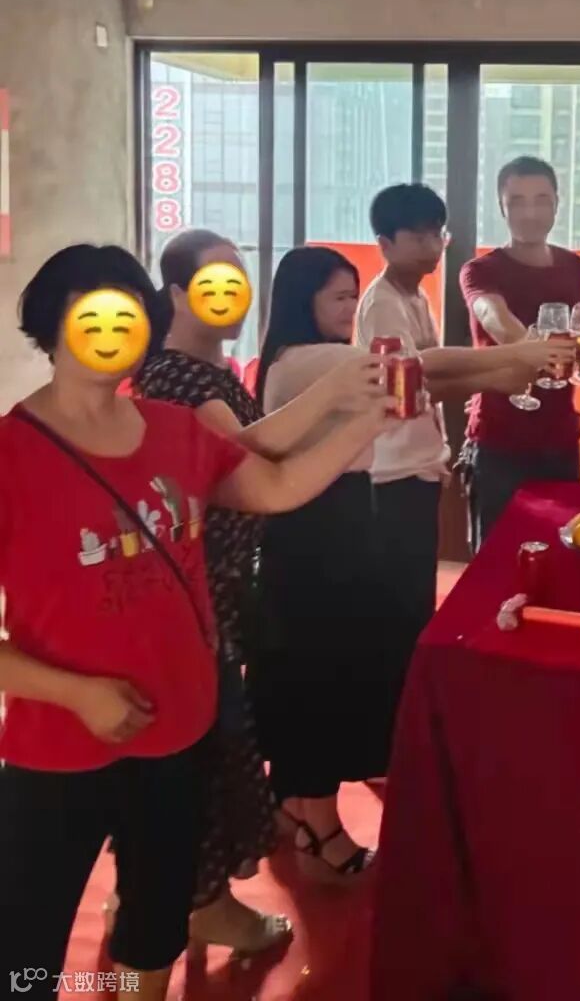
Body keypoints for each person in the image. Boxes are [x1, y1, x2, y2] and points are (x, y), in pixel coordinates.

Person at [0, 244, 393, 1000]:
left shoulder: (174, 431)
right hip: (58, 747)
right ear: (50, 327)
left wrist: (370, 418)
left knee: (156, 916)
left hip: (179, 729)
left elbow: (274, 485)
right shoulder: (13, 455)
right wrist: (77, 693)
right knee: (25, 941)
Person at [250, 241, 559, 885]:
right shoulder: (309, 360)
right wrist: (516, 356)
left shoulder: (315, 359)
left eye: (350, 295)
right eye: (339, 297)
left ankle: (294, 807)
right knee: (320, 677)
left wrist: (502, 372)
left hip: (328, 524)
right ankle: (317, 825)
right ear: (304, 301)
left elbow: (421, 383)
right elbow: (417, 366)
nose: (350, 309)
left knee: (315, 672)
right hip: (315, 533)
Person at [138, 229, 382, 954]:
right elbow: (240, 454)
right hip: (186, 588)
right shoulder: (173, 377)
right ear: (177, 294)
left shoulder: (210, 371)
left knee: (217, 746)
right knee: (198, 753)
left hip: (219, 584)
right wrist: (344, 396)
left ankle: (190, 897)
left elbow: (259, 462)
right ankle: (194, 903)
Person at [459, 156, 580, 550]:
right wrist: (533, 350)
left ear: (556, 204)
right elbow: (492, 316)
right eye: (516, 201)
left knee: (563, 555)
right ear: (502, 208)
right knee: (497, 560)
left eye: (540, 200)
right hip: (499, 441)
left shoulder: (576, 267)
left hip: (561, 438)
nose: (529, 213)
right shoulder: (480, 270)